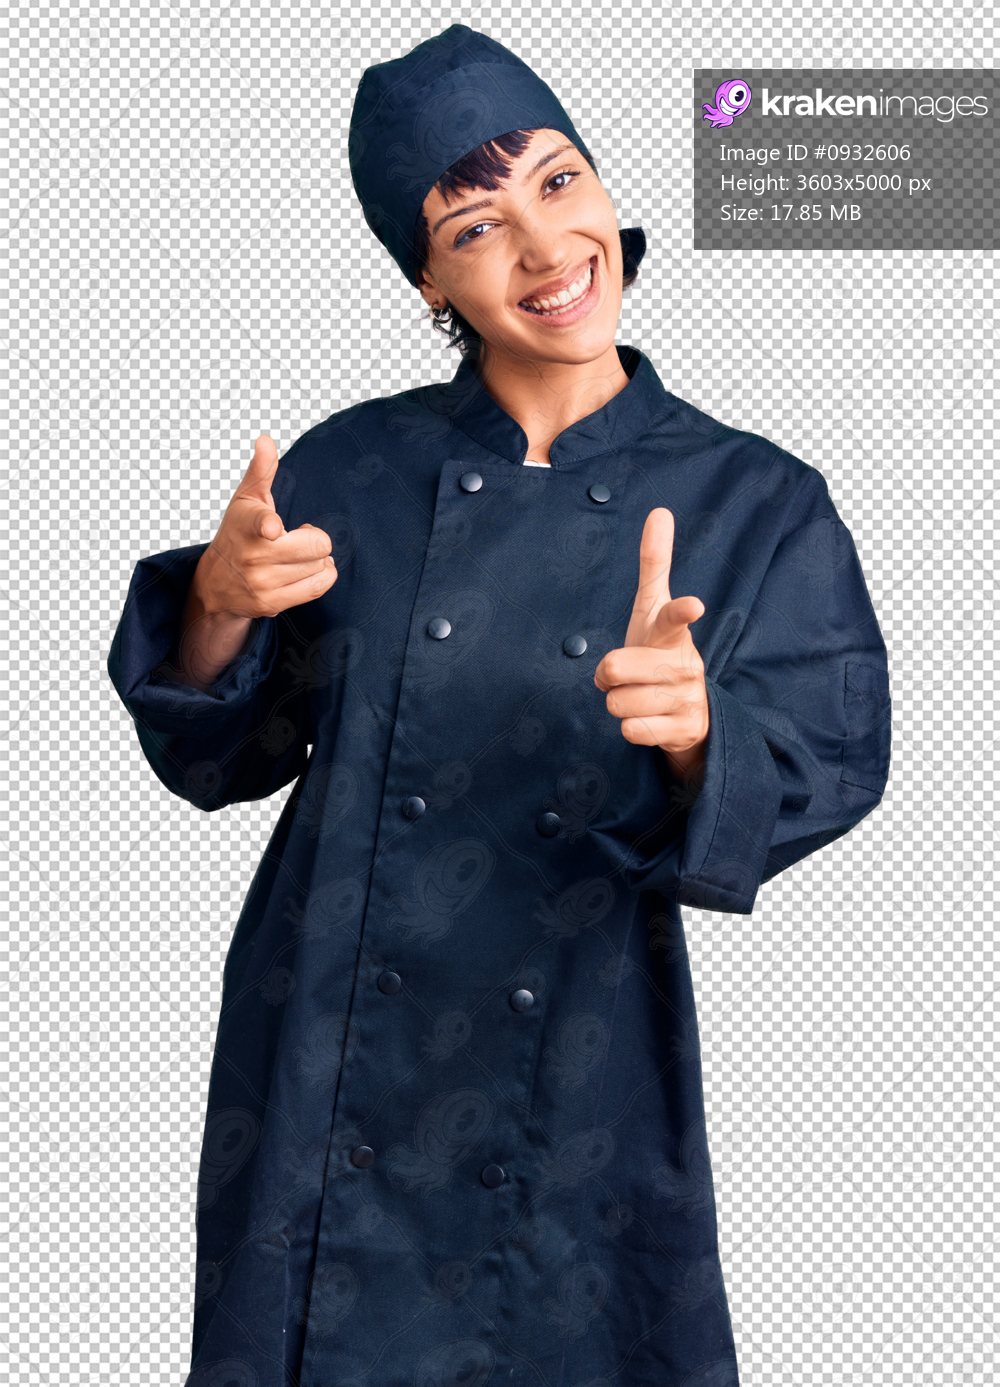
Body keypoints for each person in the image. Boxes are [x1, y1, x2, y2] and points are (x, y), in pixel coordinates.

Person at [107, 24, 890, 1387]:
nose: (543, 246)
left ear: (604, 190)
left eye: (558, 181)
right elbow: (227, 754)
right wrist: (219, 606)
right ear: (428, 279)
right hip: (329, 1041)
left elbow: (837, 745)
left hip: (579, 1058)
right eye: (474, 226)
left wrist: (703, 734)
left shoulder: (757, 498)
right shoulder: (352, 463)